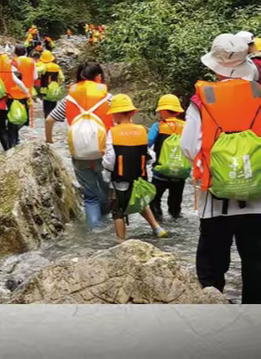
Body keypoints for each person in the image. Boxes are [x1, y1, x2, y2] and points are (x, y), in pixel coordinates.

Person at [180, 33, 261, 304]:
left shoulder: (201, 100)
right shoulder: (259, 95)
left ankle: (213, 321)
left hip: (215, 199)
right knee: (256, 265)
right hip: (258, 199)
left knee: (211, 266)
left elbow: (189, 147)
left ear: (215, 66)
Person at [45, 62, 113, 228]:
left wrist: (49, 139)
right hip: (104, 153)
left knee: (90, 196)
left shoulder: (69, 100)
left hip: (79, 153)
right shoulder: (109, 98)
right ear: (98, 77)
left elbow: (49, 119)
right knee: (107, 191)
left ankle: (94, 231)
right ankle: (106, 225)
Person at [102, 94, 168, 241]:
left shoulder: (113, 132)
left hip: (119, 179)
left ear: (116, 114)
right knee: (139, 201)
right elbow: (150, 156)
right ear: (132, 112)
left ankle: (121, 240)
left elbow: (110, 158)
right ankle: (157, 228)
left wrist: (106, 173)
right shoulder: (141, 130)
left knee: (117, 210)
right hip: (139, 178)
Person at [148, 94, 187, 220]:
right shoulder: (185, 126)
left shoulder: (158, 126)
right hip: (180, 172)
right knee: (176, 203)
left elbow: (147, 142)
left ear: (164, 111)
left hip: (160, 172)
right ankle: (175, 214)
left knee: (154, 199)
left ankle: (158, 219)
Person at [8, 45, 37, 147]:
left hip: (13, 94)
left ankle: (13, 141)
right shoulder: (32, 61)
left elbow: (13, 78)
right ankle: (19, 140)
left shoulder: (14, 62)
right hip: (27, 94)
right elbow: (35, 77)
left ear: (15, 52)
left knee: (13, 118)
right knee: (23, 118)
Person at [38, 50, 65, 118]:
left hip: (45, 90)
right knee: (53, 106)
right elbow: (62, 78)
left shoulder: (44, 66)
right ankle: (52, 120)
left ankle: (47, 120)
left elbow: (36, 70)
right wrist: (58, 84)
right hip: (55, 90)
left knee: (46, 108)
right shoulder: (57, 67)